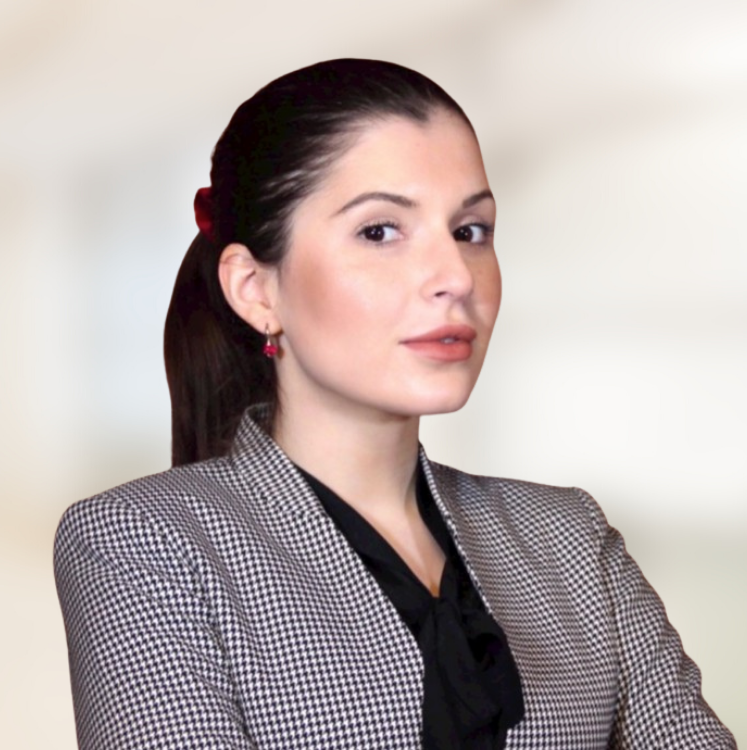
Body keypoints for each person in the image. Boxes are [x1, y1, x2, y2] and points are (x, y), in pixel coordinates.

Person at [54, 59, 736, 750]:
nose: (454, 277)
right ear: (256, 289)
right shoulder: (144, 543)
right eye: (380, 231)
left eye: (470, 231)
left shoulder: (570, 538)